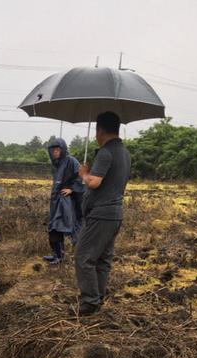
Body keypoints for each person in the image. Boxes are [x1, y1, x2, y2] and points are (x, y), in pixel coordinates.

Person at [75, 111, 131, 315]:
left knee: (83, 256)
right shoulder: (124, 153)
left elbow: (94, 182)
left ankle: (90, 302)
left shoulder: (106, 152)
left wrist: (84, 174)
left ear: (99, 130)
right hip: (115, 214)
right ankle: (98, 298)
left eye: (96, 132)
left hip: (101, 214)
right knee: (102, 259)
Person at [45, 137, 83, 265]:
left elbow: (82, 176)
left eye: (58, 149)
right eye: (53, 150)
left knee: (69, 225)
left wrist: (72, 189)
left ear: (63, 149)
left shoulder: (71, 161)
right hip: (56, 200)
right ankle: (58, 255)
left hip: (67, 201)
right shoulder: (55, 164)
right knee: (53, 228)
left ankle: (80, 257)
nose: (55, 152)